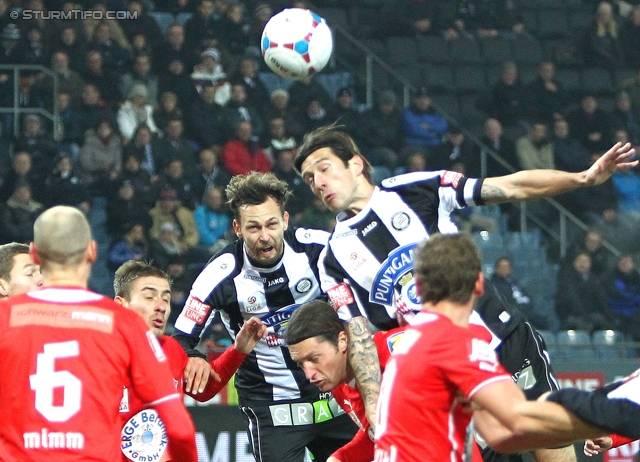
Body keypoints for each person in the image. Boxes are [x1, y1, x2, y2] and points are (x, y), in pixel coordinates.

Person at [294, 124, 636, 461]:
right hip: (448, 364)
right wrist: (373, 403)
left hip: (502, 336)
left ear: (355, 163)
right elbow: (359, 337)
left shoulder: (414, 189)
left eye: (324, 168)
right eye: (310, 179)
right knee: (495, 442)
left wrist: (582, 178)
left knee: (548, 437)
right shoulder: (333, 260)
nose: (319, 183)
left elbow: (509, 187)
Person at [374, 233, 637, 461]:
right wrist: (604, 414)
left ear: (418, 287)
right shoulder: (454, 344)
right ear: (479, 284)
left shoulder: (404, 345)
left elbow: (498, 435)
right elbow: (518, 419)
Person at [172, 172, 358, 462]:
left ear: (284, 220)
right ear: (237, 228)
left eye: (271, 224)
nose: (264, 236)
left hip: (335, 396)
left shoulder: (319, 249)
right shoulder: (219, 274)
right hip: (271, 407)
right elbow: (181, 337)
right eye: (253, 227)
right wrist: (193, 356)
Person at [0, 206, 197, 461]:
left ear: (35, 254)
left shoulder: (5, 319)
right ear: (92, 251)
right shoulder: (124, 324)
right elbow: (179, 429)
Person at [113, 260, 266, 461]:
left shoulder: (172, 350)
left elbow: (204, 389)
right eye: (149, 297)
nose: (160, 307)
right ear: (120, 304)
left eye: (166, 299)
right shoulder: (98, 353)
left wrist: (239, 349)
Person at [286, 299, 406, 462]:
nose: (309, 375)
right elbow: (376, 434)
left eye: (314, 359)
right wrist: (340, 458)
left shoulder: (394, 350)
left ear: (342, 340)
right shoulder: (339, 386)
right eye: (301, 365)